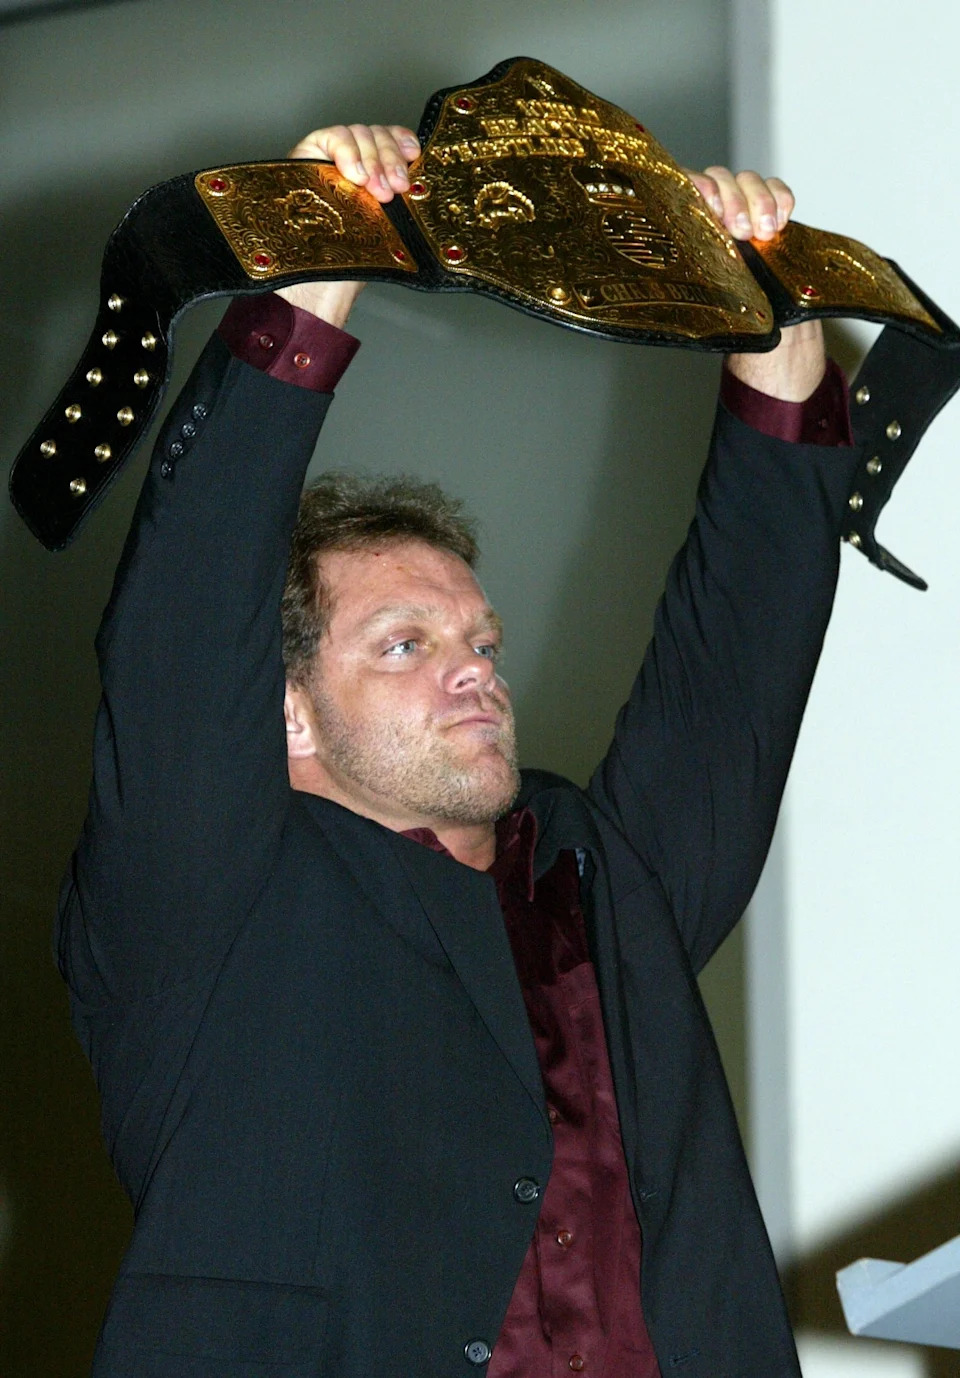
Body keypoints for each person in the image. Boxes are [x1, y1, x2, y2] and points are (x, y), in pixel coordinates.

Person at [58, 122, 859, 1378]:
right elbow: (185, 611)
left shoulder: (604, 883)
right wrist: (326, 250)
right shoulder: (205, 904)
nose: (475, 666)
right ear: (284, 712)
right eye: (402, 644)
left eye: (478, 637)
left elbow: (737, 666)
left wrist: (778, 318)